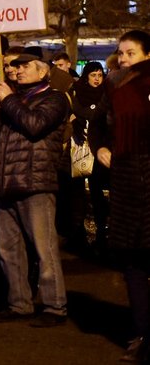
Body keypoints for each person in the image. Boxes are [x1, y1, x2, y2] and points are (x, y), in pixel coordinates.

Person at [0, 52, 70, 327]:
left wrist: (8, 100)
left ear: (43, 71)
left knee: (44, 248)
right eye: (15, 67)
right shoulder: (14, 100)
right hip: (7, 182)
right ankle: (19, 303)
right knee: (9, 249)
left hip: (35, 182)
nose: (17, 71)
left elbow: (35, 125)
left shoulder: (54, 98)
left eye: (24, 67)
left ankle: (54, 306)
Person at [89, 30, 150, 360]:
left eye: (131, 53)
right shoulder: (113, 87)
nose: (124, 59)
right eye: (120, 53)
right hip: (126, 182)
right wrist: (99, 147)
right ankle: (141, 333)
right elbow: (96, 124)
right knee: (133, 263)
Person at [69, 61, 109, 256]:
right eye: (93, 75)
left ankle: (102, 228)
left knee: (97, 188)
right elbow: (77, 110)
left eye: (100, 75)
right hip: (80, 147)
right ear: (86, 76)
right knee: (79, 190)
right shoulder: (77, 92)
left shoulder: (107, 93)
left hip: (100, 147)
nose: (96, 79)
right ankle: (79, 230)